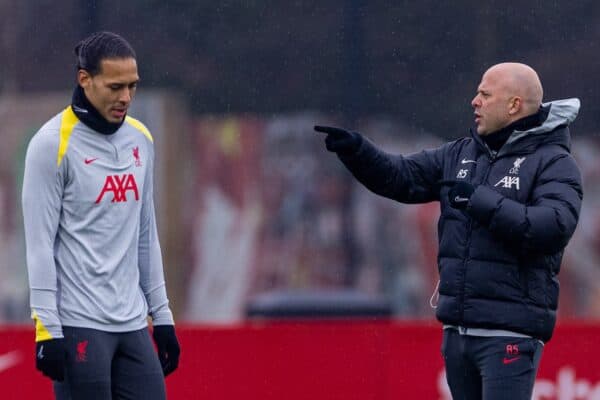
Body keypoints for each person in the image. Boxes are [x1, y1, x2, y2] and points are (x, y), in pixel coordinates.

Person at [315, 62, 582, 399]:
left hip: (509, 335)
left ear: (514, 105)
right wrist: (357, 152)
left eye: (485, 94)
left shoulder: (554, 162)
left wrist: (480, 200)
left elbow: (553, 227)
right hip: (457, 335)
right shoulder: (460, 153)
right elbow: (402, 178)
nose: (475, 101)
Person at [22, 31, 180, 399]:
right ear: (84, 79)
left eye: (133, 86)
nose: (125, 97)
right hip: (78, 326)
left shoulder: (141, 139)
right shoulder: (50, 145)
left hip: (133, 324)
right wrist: (46, 329)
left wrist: (164, 316)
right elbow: (39, 246)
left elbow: (145, 234)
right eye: (115, 87)